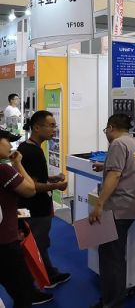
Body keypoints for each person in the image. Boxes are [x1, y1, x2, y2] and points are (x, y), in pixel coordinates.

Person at [89, 114, 135, 308]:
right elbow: (125, 167)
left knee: (110, 258)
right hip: (130, 205)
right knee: (116, 256)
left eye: (106, 130)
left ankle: (111, 303)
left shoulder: (117, 144)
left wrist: (99, 205)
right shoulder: (134, 142)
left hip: (116, 208)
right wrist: (104, 165)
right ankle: (116, 297)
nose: (106, 134)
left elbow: (115, 175)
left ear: (111, 128)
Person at [18, 111, 70, 293]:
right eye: (51, 125)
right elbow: (32, 186)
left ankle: (49, 273)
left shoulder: (27, 148)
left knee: (40, 243)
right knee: (38, 245)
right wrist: (57, 186)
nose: (54, 129)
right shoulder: (32, 152)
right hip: (36, 209)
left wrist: (51, 179)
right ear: (37, 127)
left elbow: (31, 178)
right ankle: (36, 285)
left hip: (32, 207)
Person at [0, 129, 37, 308]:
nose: (11, 145)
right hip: (5, 242)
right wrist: (17, 164)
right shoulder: (3, 170)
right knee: (23, 291)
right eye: (7, 140)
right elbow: (30, 190)